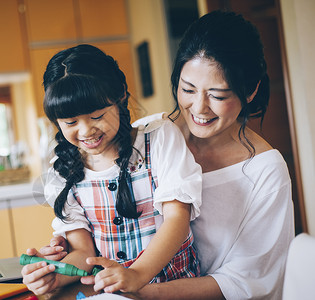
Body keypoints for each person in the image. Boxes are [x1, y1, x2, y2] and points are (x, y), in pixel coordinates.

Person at [35, 11, 295, 299]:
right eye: (188, 89)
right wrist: (65, 256)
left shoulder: (265, 170)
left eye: (218, 95)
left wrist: (141, 289)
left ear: (250, 91)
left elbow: (249, 281)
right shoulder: (143, 138)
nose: (199, 108)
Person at [21, 44, 203, 295]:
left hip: (176, 289)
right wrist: (54, 275)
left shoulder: (159, 138)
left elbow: (177, 220)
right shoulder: (62, 171)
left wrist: (137, 274)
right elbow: (83, 253)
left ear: (121, 98)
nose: (85, 131)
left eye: (97, 116)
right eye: (71, 122)